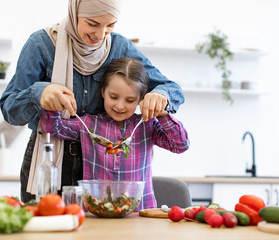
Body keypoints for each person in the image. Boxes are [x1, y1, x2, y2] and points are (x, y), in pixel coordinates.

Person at [0, 0, 185, 203]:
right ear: (74, 12)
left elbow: (171, 88)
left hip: (100, 166)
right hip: (49, 158)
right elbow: (11, 110)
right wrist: (40, 93)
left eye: (110, 25)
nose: (101, 34)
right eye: (92, 23)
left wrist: (161, 98)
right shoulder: (41, 44)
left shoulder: (120, 47)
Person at [40, 58, 189, 210]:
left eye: (130, 100)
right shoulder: (88, 124)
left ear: (140, 99)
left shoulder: (146, 125)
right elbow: (52, 127)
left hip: (140, 213)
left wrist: (162, 114)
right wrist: (56, 103)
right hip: (97, 212)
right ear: (103, 91)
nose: (120, 106)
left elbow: (180, 145)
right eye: (113, 97)